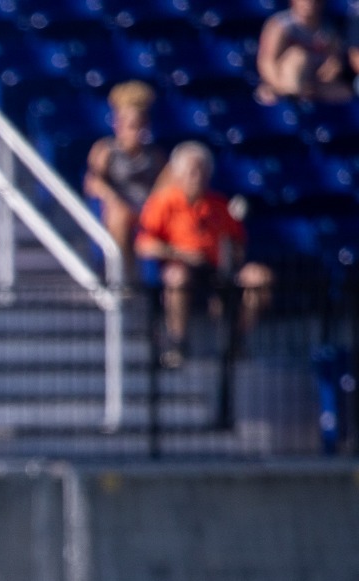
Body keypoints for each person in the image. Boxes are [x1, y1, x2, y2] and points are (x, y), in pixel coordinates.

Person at [136, 141, 274, 366]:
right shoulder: (164, 202)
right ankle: (178, 343)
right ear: (179, 174)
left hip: (217, 268)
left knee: (259, 277)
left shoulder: (218, 204)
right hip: (184, 266)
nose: (198, 176)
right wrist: (180, 253)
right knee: (176, 278)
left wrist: (232, 260)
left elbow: (237, 243)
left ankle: (236, 341)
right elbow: (144, 244)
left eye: (202, 170)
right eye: (192, 171)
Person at [83, 82, 161, 269]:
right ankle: (123, 274)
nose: (136, 130)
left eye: (140, 124)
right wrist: (113, 198)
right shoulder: (105, 150)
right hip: (120, 206)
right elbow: (92, 182)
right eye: (131, 125)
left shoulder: (154, 154)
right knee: (119, 216)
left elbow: (163, 183)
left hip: (148, 207)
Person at [257, 0, 358, 103]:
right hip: (284, 79)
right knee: (299, 57)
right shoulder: (281, 25)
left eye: (314, 2)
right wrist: (279, 85)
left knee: (345, 93)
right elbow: (267, 63)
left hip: (314, 83)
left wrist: (328, 70)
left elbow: (334, 62)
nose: (309, 4)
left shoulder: (328, 30)